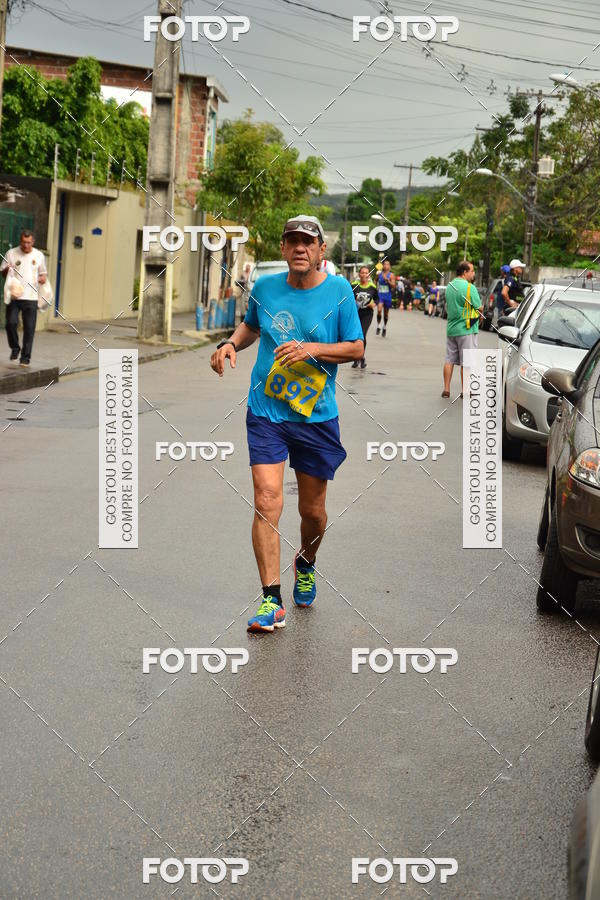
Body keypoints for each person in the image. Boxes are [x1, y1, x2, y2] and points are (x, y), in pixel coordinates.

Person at [209, 214, 364, 633]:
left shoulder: (338, 291)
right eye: (292, 241)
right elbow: (251, 326)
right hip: (266, 410)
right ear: (283, 248)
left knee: (312, 512)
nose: (299, 248)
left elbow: (355, 346)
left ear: (320, 250)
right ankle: (270, 600)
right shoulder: (265, 287)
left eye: (307, 242)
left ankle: (307, 561)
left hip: (315, 416)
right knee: (267, 500)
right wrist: (228, 343)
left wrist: (311, 349)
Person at [2, 229, 47, 367]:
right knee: (11, 323)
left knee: (29, 328)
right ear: (20, 241)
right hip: (15, 295)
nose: (25, 245)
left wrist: (42, 279)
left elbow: (43, 274)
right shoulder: (11, 253)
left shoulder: (39, 255)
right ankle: (15, 348)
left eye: (28, 242)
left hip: (31, 297)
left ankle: (25, 358)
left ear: (32, 242)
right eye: (23, 242)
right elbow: (3, 273)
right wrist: (6, 270)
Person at [441, 260, 481, 399]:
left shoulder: (450, 286)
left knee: (449, 359)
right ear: (465, 272)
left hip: (452, 328)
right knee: (467, 361)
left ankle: (446, 389)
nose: (473, 273)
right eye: (472, 271)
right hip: (467, 328)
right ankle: (465, 391)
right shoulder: (470, 288)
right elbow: (479, 307)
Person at [351, 265, 378, 369]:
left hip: (367, 314)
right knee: (355, 335)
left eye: (366, 273)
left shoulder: (372, 287)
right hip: (355, 314)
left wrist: (374, 304)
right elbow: (347, 297)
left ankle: (360, 357)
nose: (364, 275)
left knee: (362, 334)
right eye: (362, 272)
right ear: (359, 274)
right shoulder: (353, 285)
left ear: (369, 275)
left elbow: (377, 299)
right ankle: (358, 358)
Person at [376, 259, 395, 336]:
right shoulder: (379, 274)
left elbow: (394, 286)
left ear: (389, 266)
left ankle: (384, 327)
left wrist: (388, 280)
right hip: (380, 294)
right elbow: (375, 281)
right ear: (383, 266)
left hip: (387, 295)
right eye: (385, 264)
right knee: (379, 310)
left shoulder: (391, 275)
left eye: (387, 264)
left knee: (386, 314)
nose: (386, 266)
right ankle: (378, 326)